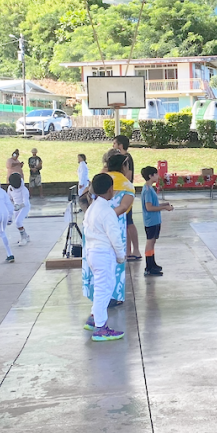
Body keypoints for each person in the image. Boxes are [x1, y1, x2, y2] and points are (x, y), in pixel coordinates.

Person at [83, 154, 134, 307]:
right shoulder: (127, 185)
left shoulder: (99, 179)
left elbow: (87, 197)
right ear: (124, 166)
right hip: (113, 227)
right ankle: (113, 296)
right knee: (113, 266)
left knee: (95, 266)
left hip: (93, 226)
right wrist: (109, 215)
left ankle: (95, 298)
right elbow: (124, 207)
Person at [82, 173, 127, 342]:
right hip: (103, 254)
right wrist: (120, 255)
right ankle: (101, 328)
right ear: (110, 190)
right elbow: (115, 236)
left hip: (92, 253)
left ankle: (94, 318)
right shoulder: (107, 211)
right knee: (104, 290)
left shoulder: (92, 207)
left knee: (101, 288)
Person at [141, 165, 174, 276]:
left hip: (154, 220)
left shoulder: (149, 189)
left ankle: (152, 263)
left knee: (153, 241)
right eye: (156, 174)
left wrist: (164, 204)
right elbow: (149, 207)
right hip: (151, 221)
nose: (158, 176)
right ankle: (149, 267)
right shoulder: (148, 190)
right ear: (151, 176)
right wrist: (164, 208)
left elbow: (153, 205)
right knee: (150, 242)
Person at [113, 135, 141, 261]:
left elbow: (128, 176)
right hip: (123, 191)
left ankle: (136, 249)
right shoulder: (125, 157)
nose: (113, 146)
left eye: (114, 143)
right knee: (126, 223)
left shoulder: (126, 158)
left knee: (129, 222)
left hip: (124, 192)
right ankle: (128, 250)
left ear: (120, 145)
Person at [7, 173, 31, 246]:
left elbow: (26, 202)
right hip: (16, 207)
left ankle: (23, 238)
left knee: (18, 222)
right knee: (17, 223)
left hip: (24, 207)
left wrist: (19, 206)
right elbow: (9, 199)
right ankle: (26, 236)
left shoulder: (24, 190)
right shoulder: (10, 188)